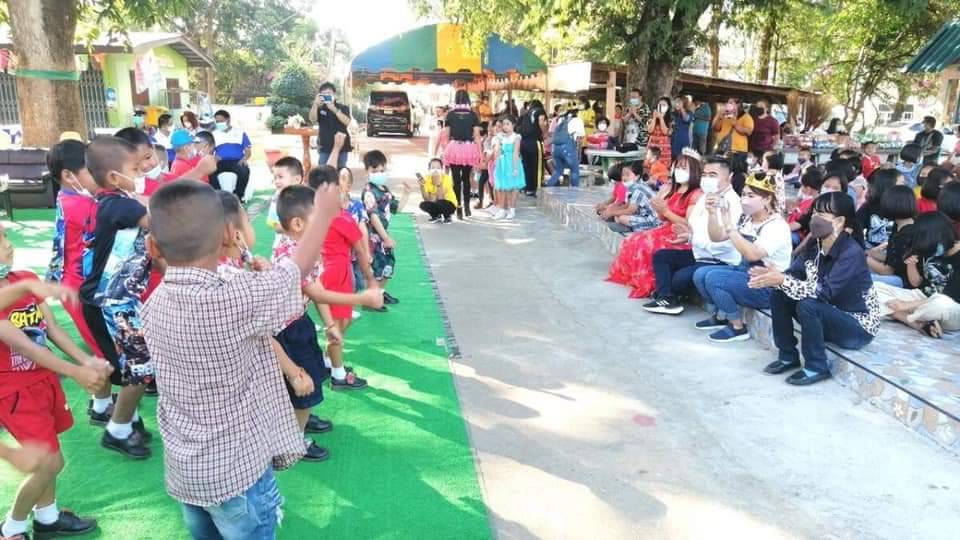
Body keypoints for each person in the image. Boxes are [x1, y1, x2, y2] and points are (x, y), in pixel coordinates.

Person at [143, 181, 345, 537]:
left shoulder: (153, 304)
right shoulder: (236, 297)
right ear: (228, 235)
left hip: (186, 469)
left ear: (152, 246)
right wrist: (324, 215)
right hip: (238, 471)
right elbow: (294, 271)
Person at [0, 228, 111, 540]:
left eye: (6, 237)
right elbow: (25, 346)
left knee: (50, 454)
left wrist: (85, 360)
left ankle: (47, 517)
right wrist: (75, 371)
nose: (9, 245)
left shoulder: (23, 277)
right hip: (15, 393)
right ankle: (11, 528)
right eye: (0, 241)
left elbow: (50, 327)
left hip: (44, 380)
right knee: (50, 462)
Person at [748, 191, 879, 385]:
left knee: (808, 305)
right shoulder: (815, 245)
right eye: (815, 212)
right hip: (829, 314)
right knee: (779, 294)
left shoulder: (852, 252)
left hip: (857, 327)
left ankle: (816, 366)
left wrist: (783, 280)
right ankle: (787, 356)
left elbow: (824, 292)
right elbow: (794, 274)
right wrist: (775, 276)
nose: (815, 218)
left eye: (822, 214)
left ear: (839, 221)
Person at [79, 137, 156, 460]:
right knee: (140, 367)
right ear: (114, 177)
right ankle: (118, 430)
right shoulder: (122, 206)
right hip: (111, 302)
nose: (142, 173)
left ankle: (130, 419)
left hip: (112, 299)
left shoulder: (112, 201)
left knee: (131, 365)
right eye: (136, 168)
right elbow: (159, 222)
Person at [693, 173, 792, 342]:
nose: (744, 199)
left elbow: (752, 254)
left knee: (714, 279)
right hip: (745, 271)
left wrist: (730, 228)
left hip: (767, 286)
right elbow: (716, 237)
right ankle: (722, 315)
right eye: (744, 194)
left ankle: (737, 327)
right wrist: (712, 214)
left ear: (767, 199)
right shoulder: (746, 219)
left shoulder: (776, 226)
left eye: (751, 196)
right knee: (700, 274)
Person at [644, 156, 744, 315]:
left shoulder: (733, 203)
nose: (707, 179)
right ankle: (667, 298)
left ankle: (669, 295)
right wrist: (688, 236)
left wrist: (693, 239)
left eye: (713, 175)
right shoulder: (705, 196)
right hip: (700, 254)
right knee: (662, 256)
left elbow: (721, 244)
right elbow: (695, 227)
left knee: (678, 278)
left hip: (719, 260)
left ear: (729, 177)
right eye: (705, 174)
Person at [606, 149, 704, 298]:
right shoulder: (674, 189)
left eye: (684, 168)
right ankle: (637, 279)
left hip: (681, 234)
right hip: (665, 228)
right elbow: (663, 217)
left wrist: (665, 211)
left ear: (694, 170)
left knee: (647, 245)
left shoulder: (695, 194)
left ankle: (653, 284)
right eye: (677, 167)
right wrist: (659, 207)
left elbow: (689, 224)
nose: (678, 171)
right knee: (632, 240)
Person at [44, 140, 103, 358]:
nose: (100, 174)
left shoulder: (69, 195)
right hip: (79, 288)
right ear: (69, 176)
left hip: (74, 282)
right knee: (104, 346)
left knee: (100, 340)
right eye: (92, 170)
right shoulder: (83, 205)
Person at [874, 212, 960, 338]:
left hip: (949, 307)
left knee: (942, 303)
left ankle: (899, 313)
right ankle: (916, 323)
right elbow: (917, 283)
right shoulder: (931, 249)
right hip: (921, 298)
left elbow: (948, 298)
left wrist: (905, 305)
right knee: (872, 288)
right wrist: (911, 264)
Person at [363, 150, 410, 306]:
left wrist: (406, 194)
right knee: (377, 267)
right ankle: (371, 299)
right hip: (374, 236)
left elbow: (397, 208)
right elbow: (373, 217)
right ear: (367, 171)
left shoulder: (384, 189)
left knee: (388, 264)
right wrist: (385, 237)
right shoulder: (369, 192)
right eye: (374, 171)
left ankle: (380, 292)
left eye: (382, 170)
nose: (379, 174)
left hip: (382, 235)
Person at [435, 90, 481, 219]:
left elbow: (447, 135)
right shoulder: (473, 114)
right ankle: (467, 207)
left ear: (455, 99)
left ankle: (458, 206)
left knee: (456, 179)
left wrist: (445, 151)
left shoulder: (450, 114)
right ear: (468, 99)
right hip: (468, 148)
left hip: (454, 147)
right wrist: (480, 154)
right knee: (466, 178)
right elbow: (477, 136)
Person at [866, 184, 917, 287]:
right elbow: (892, 258)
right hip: (896, 276)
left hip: (902, 281)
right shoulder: (899, 226)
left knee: (858, 277)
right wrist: (869, 253)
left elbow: (888, 270)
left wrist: (864, 258)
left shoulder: (906, 235)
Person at [605, 161, 661, 234]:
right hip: (642, 214)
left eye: (627, 175)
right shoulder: (632, 187)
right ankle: (628, 226)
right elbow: (627, 205)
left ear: (637, 176)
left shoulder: (638, 189)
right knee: (617, 216)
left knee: (621, 218)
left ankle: (631, 228)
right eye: (623, 175)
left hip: (653, 220)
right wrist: (611, 210)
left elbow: (630, 210)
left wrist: (612, 212)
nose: (624, 177)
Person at [309, 82, 353, 170]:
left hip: (342, 146)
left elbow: (347, 122)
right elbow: (312, 119)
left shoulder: (343, 107)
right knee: (323, 172)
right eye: (324, 94)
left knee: (341, 171)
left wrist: (333, 109)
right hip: (325, 147)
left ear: (334, 95)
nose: (326, 96)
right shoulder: (319, 108)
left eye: (329, 93)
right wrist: (315, 104)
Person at [856, 168, 903, 249]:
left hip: (894, 250)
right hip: (870, 249)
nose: (905, 187)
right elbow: (856, 228)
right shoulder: (868, 206)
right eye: (902, 183)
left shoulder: (903, 206)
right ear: (889, 185)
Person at [211, 109, 252, 202]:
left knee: (244, 171)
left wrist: (245, 158)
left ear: (228, 119)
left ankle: (238, 195)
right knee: (210, 171)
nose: (219, 123)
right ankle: (218, 195)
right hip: (220, 161)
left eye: (221, 121)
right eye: (217, 122)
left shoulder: (240, 132)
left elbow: (248, 150)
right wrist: (213, 158)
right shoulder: (214, 134)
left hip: (237, 161)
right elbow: (209, 150)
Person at [492, 115, 526, 220]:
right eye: (504, 124)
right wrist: (497, 164)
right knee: (502, 187)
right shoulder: (500, 137)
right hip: (502, 163)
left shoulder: (516, 137)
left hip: (512, 162)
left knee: (514, 187)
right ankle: (502, 210)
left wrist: (515, 168)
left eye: (508, 124)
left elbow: (516, 153)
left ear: (513, 125)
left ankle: (512, 210)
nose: (505, 126)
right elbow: (497, 151)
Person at [546, 108, 585, 188]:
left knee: (558, 170)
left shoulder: (561, 120)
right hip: (568, 149)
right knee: (574, 170)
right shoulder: (578, 120)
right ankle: (575, 190)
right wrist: (578, 152)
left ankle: (548, 187)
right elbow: (580, 137)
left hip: (556, 149)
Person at [788, 168, 825, 245]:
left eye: (802, 186)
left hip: (802, 237)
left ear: (808, 189)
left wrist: (781, 230)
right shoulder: (814, 200)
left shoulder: (815, 203)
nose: (801, 188)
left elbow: (800, 224)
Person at [518, 101, 547, 197]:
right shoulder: (540, 110)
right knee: (537, 166)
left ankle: (528, 188)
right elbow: (541, 122)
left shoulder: (525, 114)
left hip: (523, 143)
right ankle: (537, 189)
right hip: (534, 142)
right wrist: (545, 133)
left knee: (527, 166)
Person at [419, 158, 458, 223]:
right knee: (423, 204)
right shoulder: (426, 179)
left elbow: (441, 198)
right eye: (433, 167)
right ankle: (436, 216)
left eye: (438, 167)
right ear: (429, 169)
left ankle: (447, 216)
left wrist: (438, 185)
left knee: (440, 202)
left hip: (449, 204)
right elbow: (426, 198)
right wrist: (422, 186)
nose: (435, 170)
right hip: (437, 203)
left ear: (442, 169)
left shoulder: (447, 178)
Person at [647, 97, 673, 169]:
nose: (661, 107)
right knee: (651, 168)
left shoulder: (671, 119)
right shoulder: (652, 117)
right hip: (652, 148)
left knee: (662, 169)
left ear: (668, 107)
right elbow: (650, 130)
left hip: (664, 149)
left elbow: (666, 132)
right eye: (660, 105)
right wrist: (654, 118)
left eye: (664, 105)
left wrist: (661, 118)